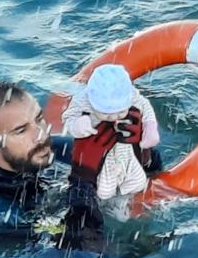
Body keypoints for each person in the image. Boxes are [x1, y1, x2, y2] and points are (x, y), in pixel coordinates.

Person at [0, 80, 155, 252]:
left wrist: (138, 150)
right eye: (21, 130)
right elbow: (83, 252)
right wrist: (84, 178)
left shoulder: (56, 149)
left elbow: (149, 172)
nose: (41, 135)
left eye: (39, 119)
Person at [62, 64, 160, 204]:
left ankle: (134, 199)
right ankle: (107, 205)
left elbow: (146, 108)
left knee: (137, 181)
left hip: (126, 151)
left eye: (120, 112)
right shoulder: (83, 100)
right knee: (104, 191)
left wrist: (150, 128)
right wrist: (78, 125)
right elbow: (69, 117)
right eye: (106, 114)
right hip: (102, 156)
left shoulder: (132, 95)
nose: (114, 117)